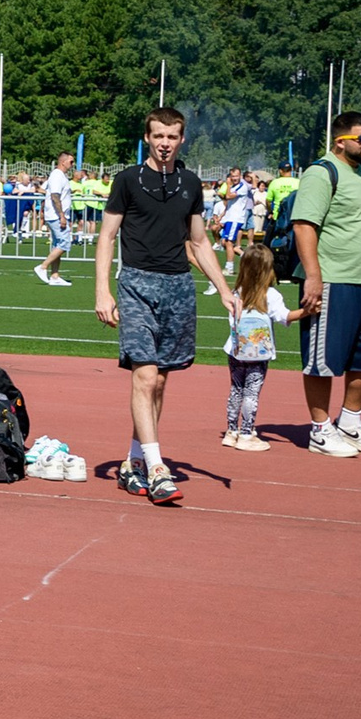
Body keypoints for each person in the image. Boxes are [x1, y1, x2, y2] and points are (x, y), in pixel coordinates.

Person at [94, 106, 239, 505]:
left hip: (178, 287)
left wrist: (224, 289)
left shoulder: (191, 184)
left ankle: (133, 461)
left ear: (182, 139)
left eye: (172, 137)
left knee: (159, 380)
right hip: (137, 283)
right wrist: (102, 292)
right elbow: (106, 237)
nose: (164, 143)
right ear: (147, 137)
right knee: (144, 373)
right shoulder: (127, 180)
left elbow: (199, 242)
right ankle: (157, 469)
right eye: (158, 136)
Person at [293, 111, 361, 458]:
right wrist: (314, 276)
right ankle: (320, 430)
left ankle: (350, 422)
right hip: (333, 280)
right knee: (323, 361)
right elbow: (304, 225)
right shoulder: (322, 173)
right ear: (341, 142)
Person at [220, 244, 293, 451]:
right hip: (258, 353)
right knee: (251, 393)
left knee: (236, 389)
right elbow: (284, 316)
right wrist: (306, 312)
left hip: (236, 349)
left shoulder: (236, 292)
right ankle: (246, 433)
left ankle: (232, 431)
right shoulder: (271, 295)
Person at [33, 151, 77, 286]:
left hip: (55, 215)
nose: (73, 164)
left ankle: (55, 276)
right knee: (65, 243)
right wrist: (61, 216)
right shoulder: (57, 175)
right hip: (56, 215)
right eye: (71, 161)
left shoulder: (59, 176)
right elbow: (55, 196)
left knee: (57, 245)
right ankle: (43, 267)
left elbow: (43, 190)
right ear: (63, 162)